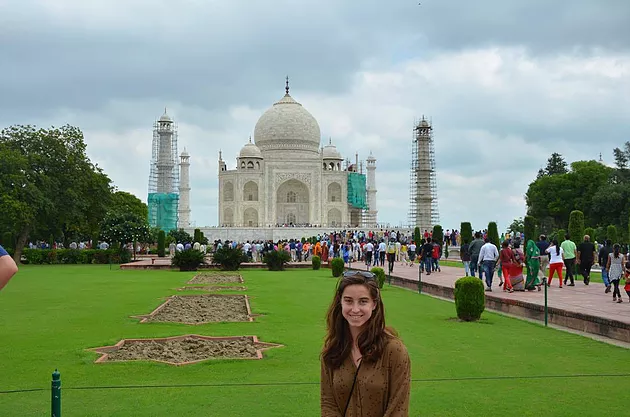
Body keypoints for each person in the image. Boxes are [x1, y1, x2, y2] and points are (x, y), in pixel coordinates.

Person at [321, 270, 411, 416]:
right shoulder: (332, 348)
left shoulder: (393, 350)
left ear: (374, 304)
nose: (355, 309)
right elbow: (328, 403)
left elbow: (398, 408)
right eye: (348, 301)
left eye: (363, 301)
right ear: (340, 301)